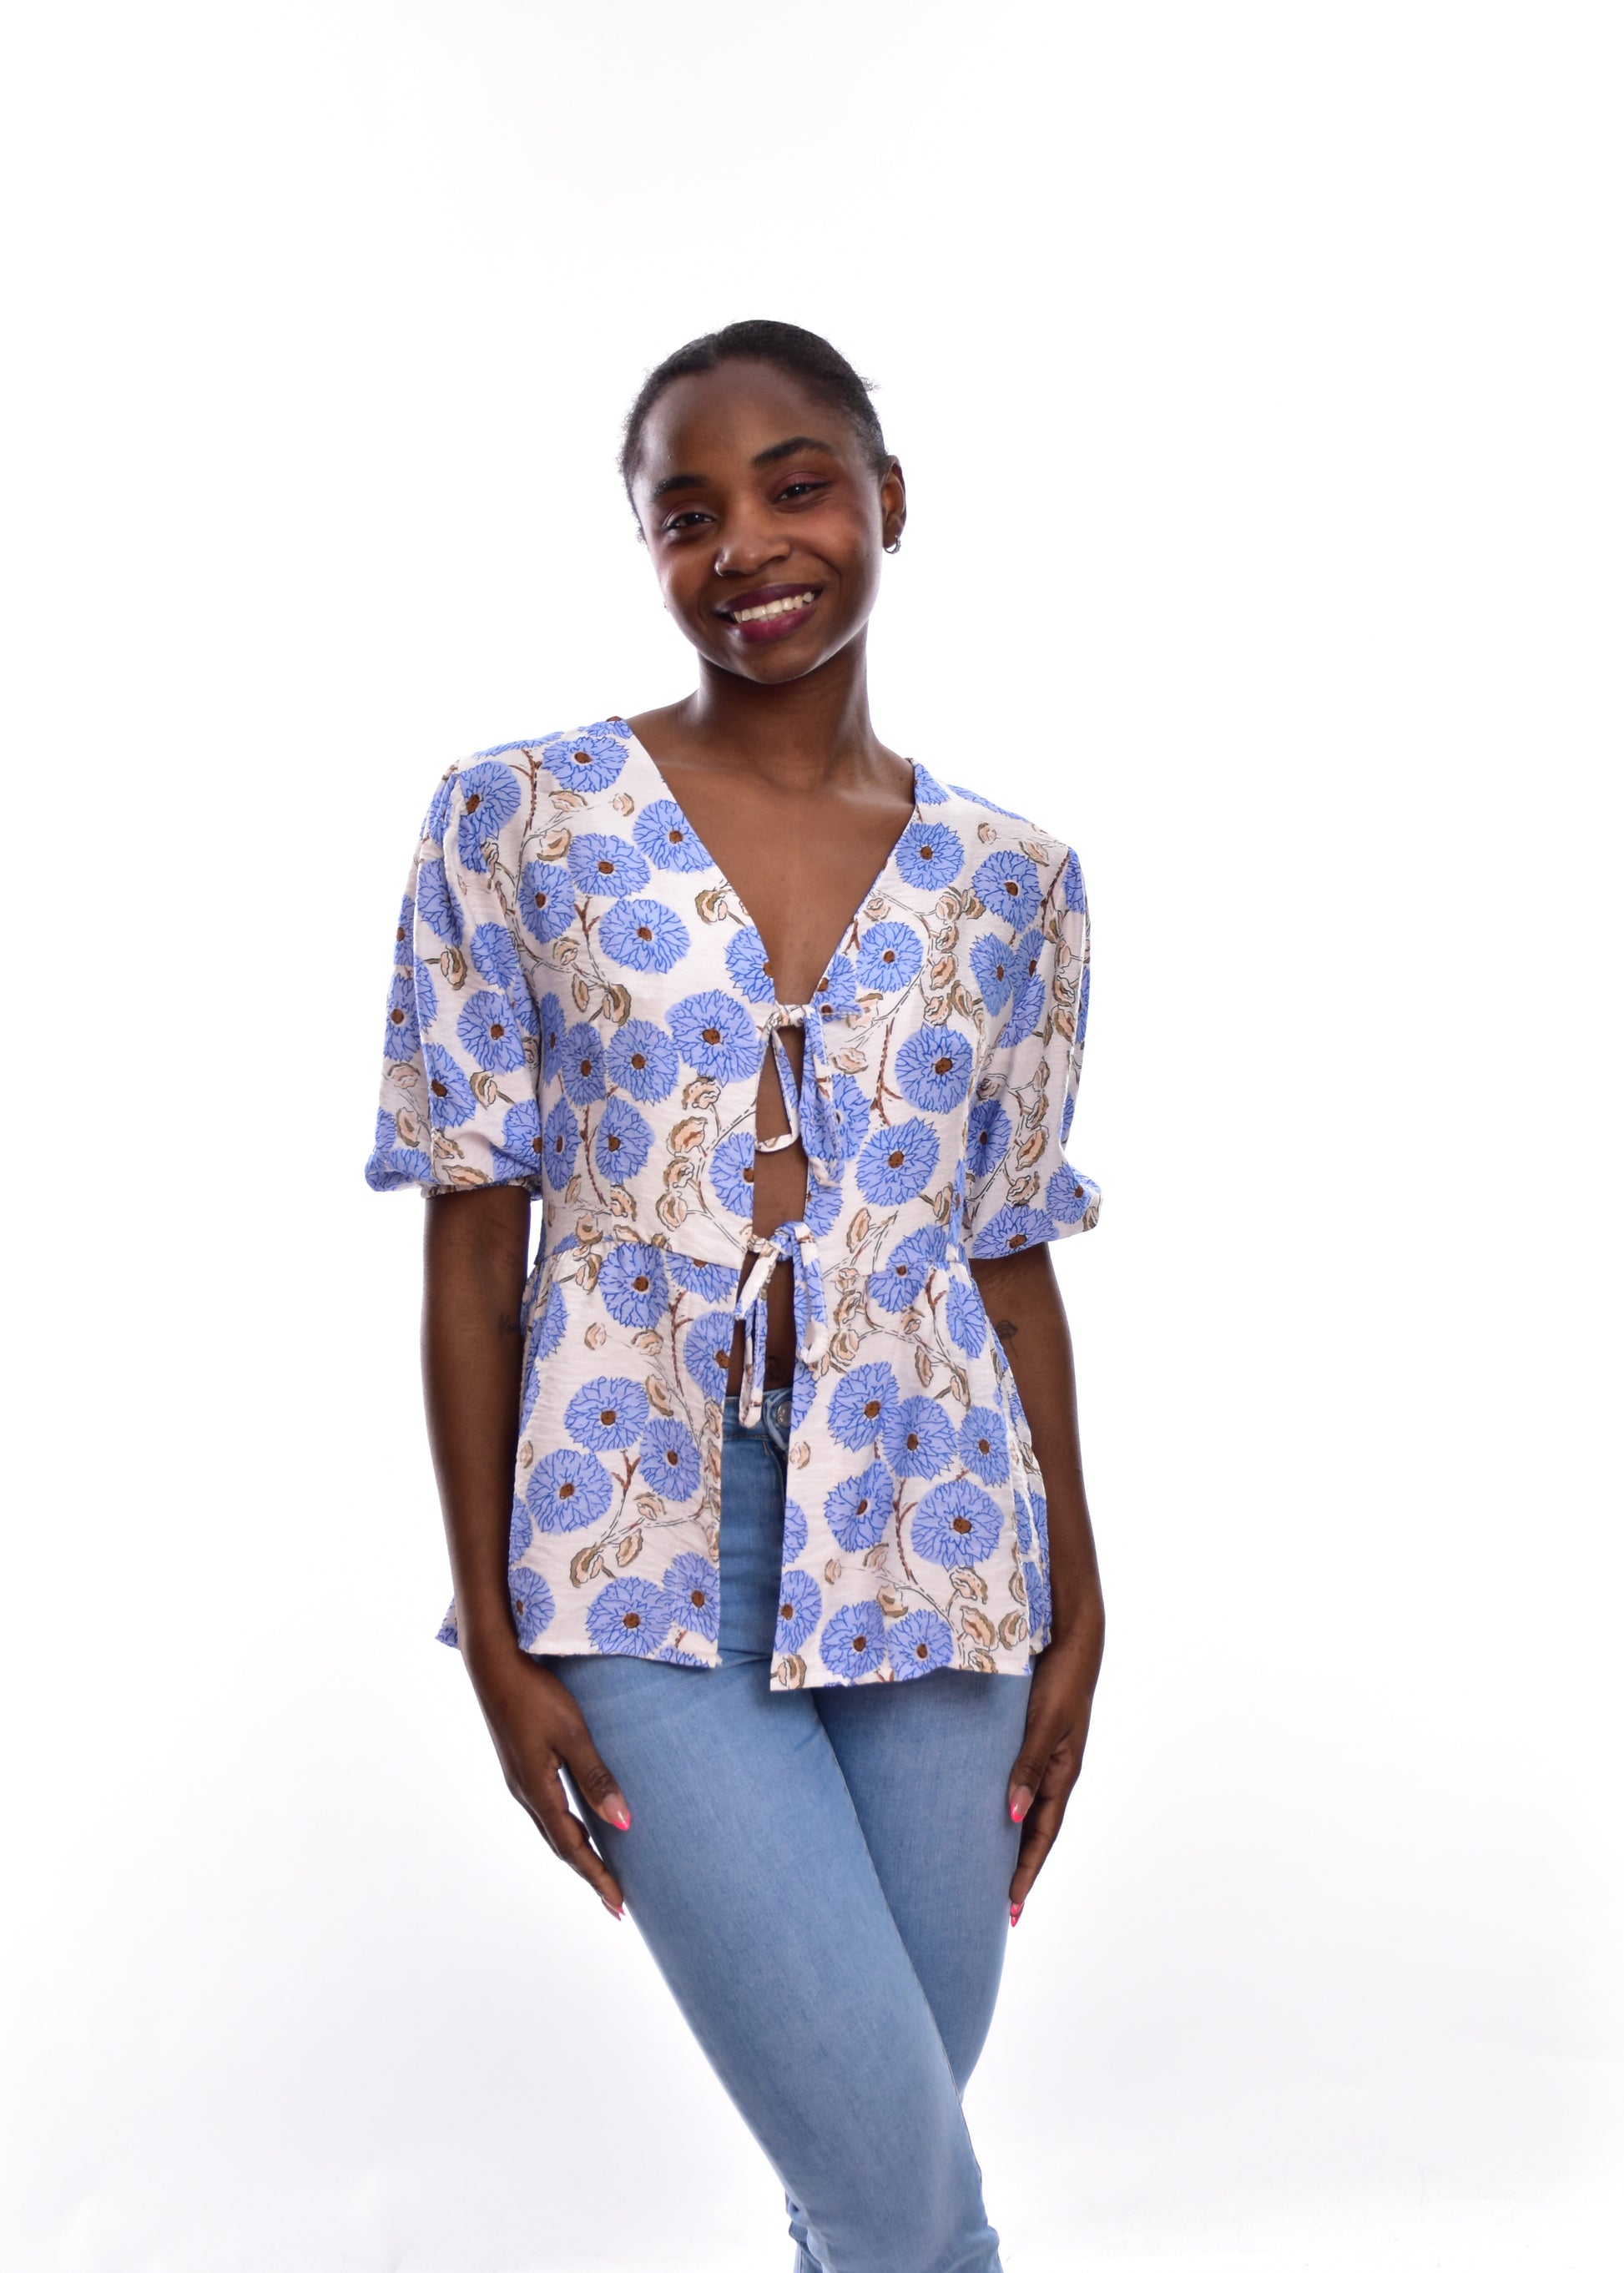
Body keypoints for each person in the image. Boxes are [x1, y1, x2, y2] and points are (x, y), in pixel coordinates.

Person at [366, 319, 1106, 2273]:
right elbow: (474, 1250)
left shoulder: (1014, 883)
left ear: (886, 501)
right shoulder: (517, 818)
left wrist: (1080, 1604)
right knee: (898, 2196)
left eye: (794, 488)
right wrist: (499, 1633)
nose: (746, 547)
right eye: (685, 515)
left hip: (945, 1547)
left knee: (875, 2164)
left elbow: (1009, 1258)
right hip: (629, 1543)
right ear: (647, 549)